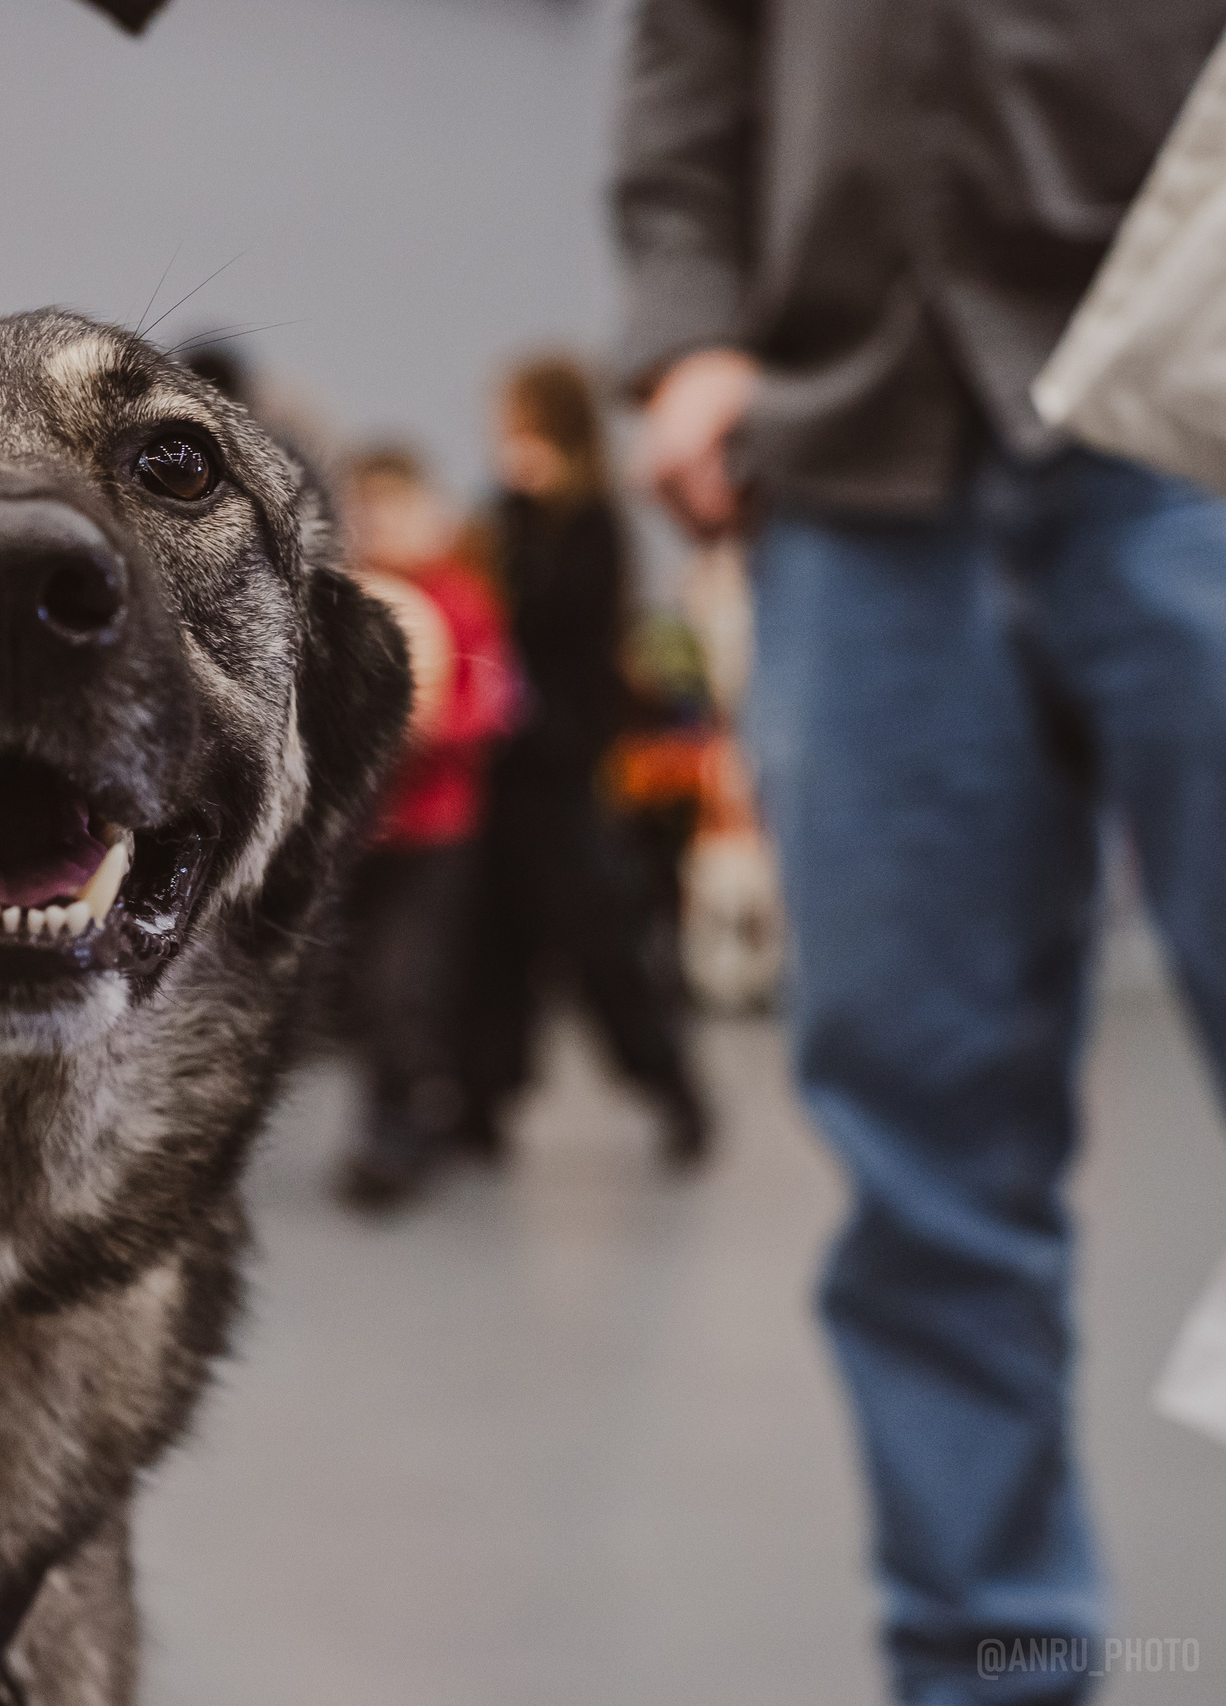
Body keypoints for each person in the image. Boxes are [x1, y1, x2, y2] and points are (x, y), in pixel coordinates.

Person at [617, 3, 1226, 1701]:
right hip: (864, 460)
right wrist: (686, 338)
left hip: (1201, 420)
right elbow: (688, 56)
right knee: (927, 1159)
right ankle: (991, 1669)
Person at [458, 355, 711, 1169]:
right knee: (495, 948)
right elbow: (484, 602)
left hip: (561, 772)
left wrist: (528, 510)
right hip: (503, 768)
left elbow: (559, 618)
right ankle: (479, 1106)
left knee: (599, 942)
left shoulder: (589, 520)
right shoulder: (504, 514)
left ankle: (670, 1089)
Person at [331, 447, 521, 1208]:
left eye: (398, 510)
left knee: (406, 985)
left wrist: (424, 727)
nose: (384, 526)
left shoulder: (462, 601)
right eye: (370, 514)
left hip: (437, 831)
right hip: (361, 835)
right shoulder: (344, 602)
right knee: (364, 987)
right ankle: (397, 1114)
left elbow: (498, 705)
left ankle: (402, 1127)